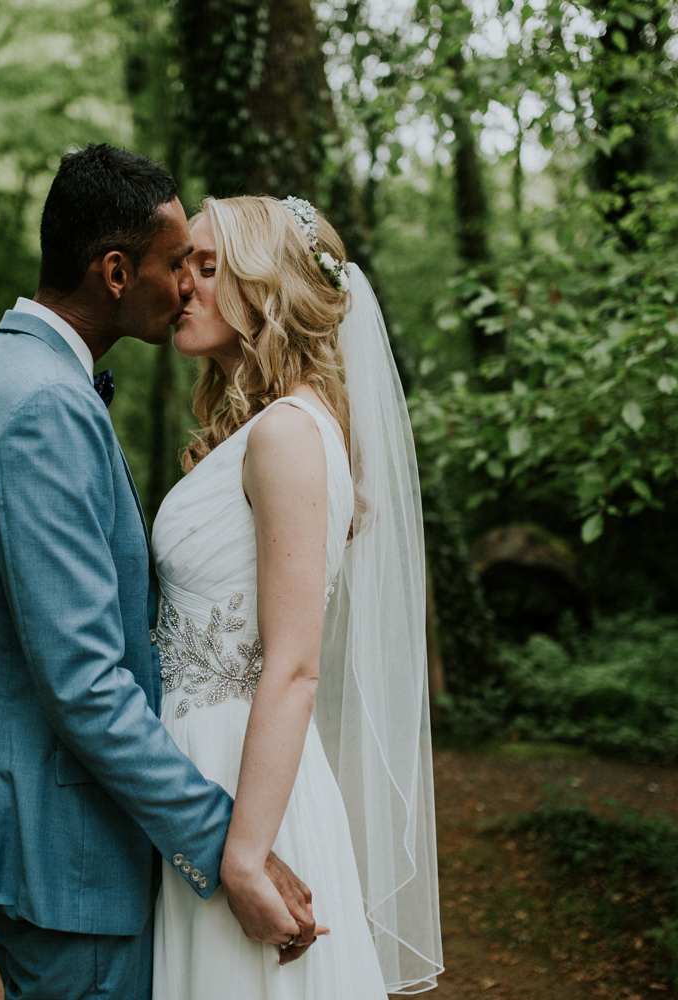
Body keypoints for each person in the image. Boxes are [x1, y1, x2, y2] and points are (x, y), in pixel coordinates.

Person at [0, 146, 319, 1000]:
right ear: (117, 271)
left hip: (11, 814)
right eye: (177, 265)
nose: (185, 288)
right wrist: (222, 845)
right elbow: (85, 681)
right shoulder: (46, 409)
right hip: (68, 846)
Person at [150, 195, 444, 998]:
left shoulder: (285, 433)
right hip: (211, 772)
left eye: (209, 268)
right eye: (182, 266)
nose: (184, 285)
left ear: (267, 287)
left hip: (246, 787)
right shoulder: (274, 429)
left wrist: (244, 855)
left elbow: (294, 666)